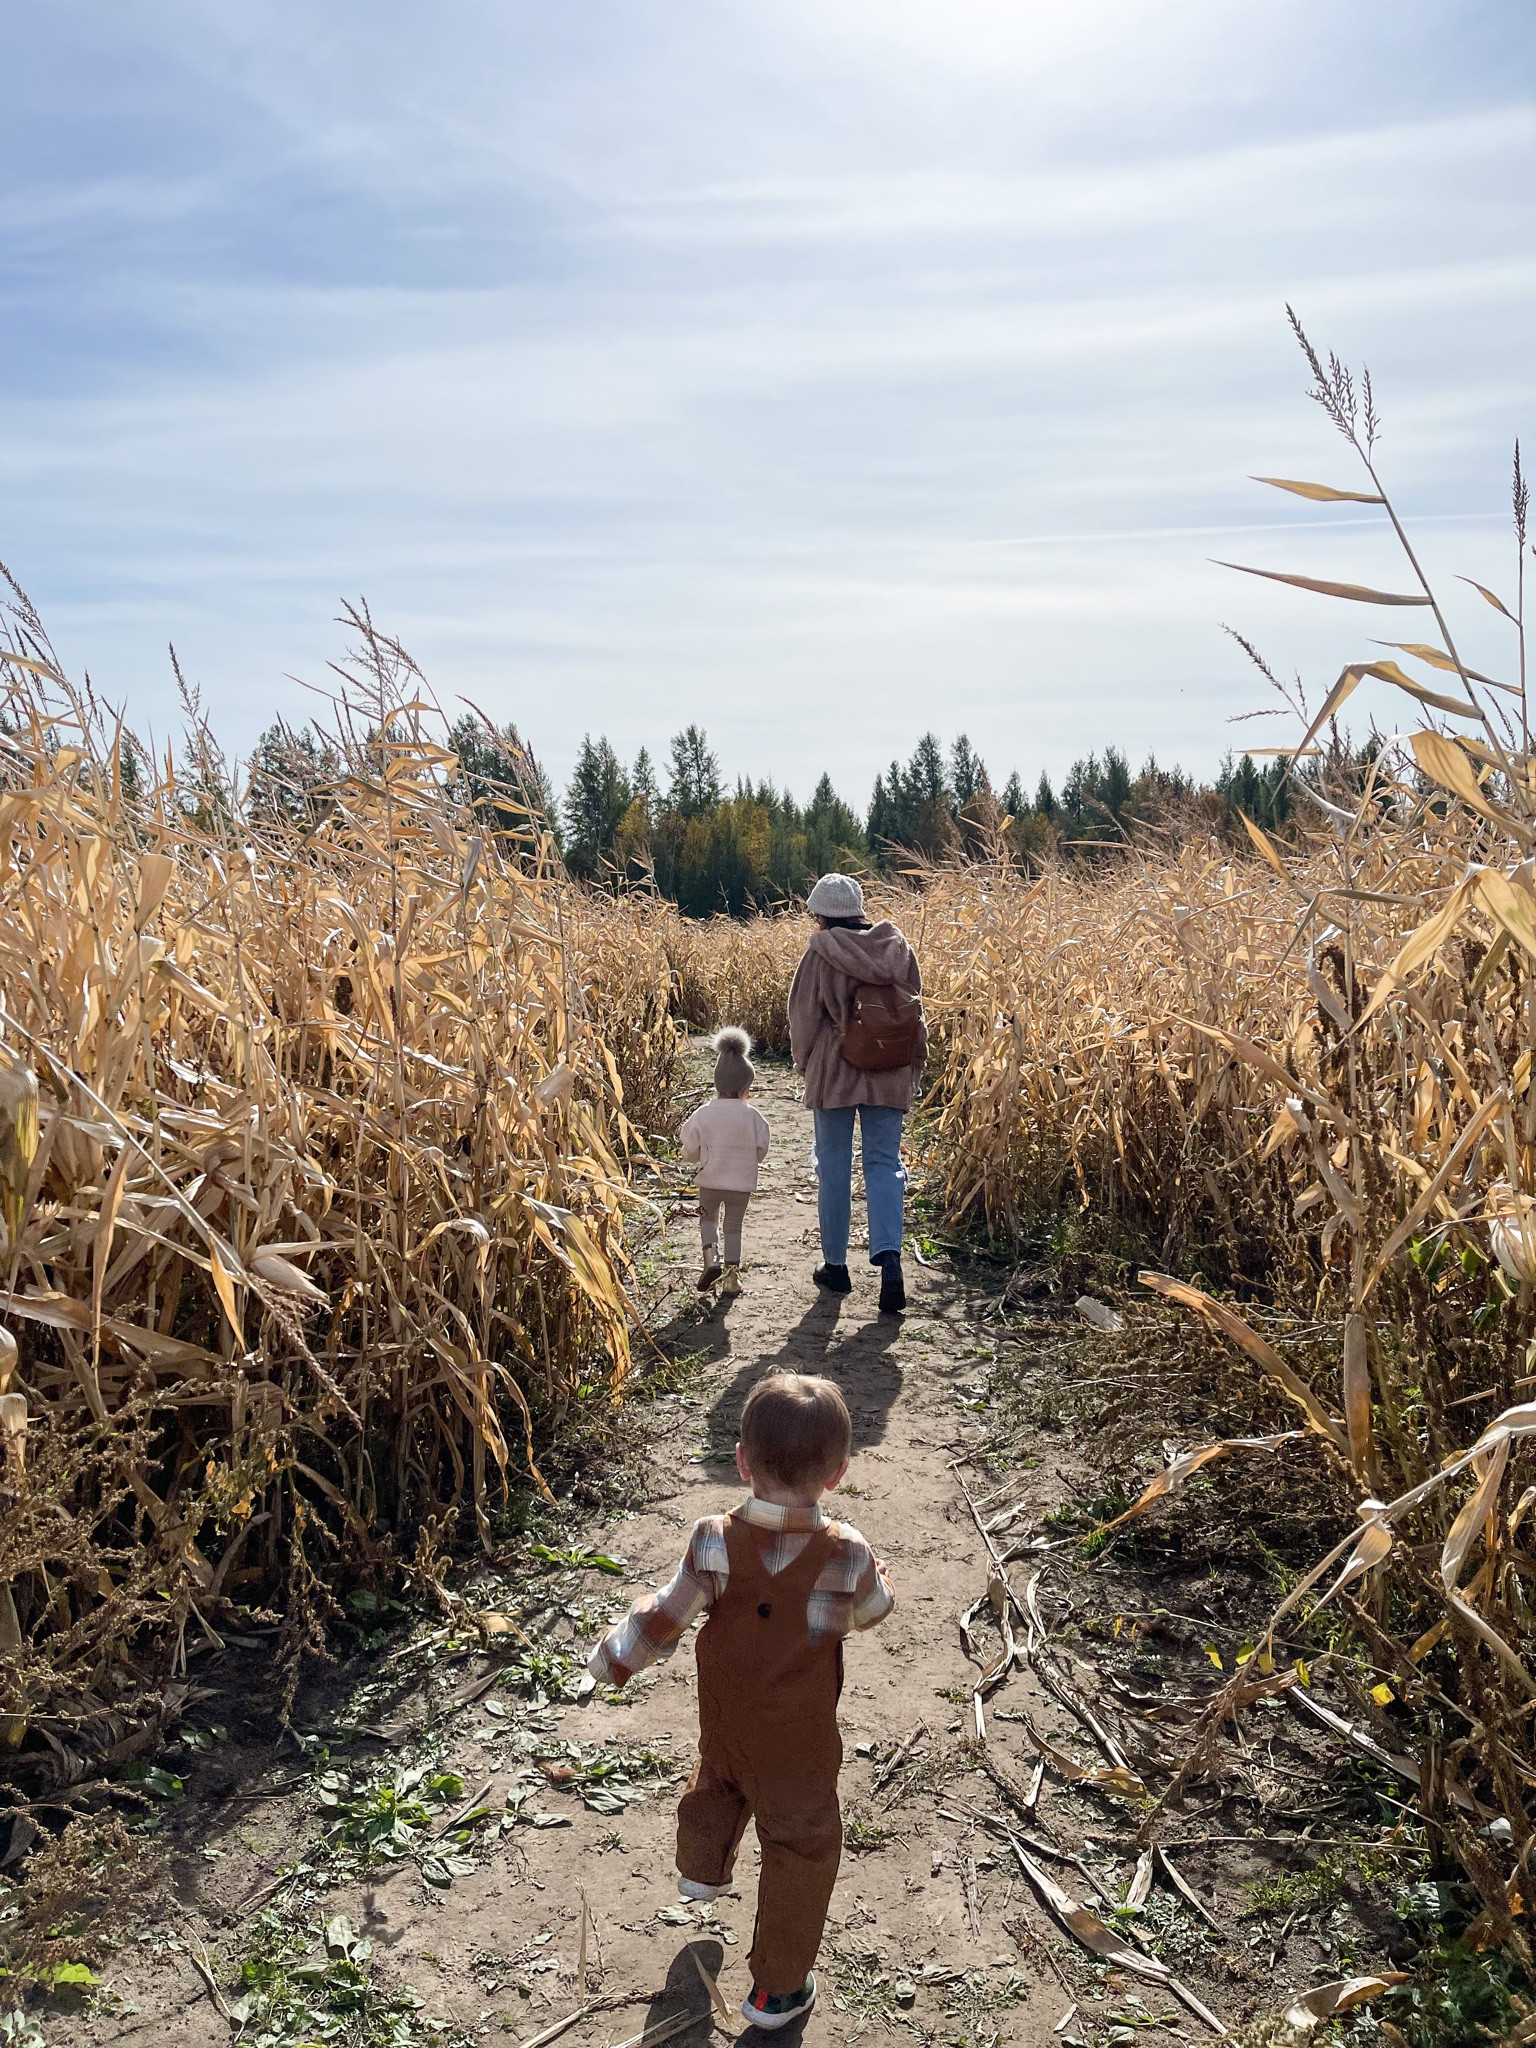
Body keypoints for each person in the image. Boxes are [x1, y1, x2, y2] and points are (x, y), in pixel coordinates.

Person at [586, 1371, 894, 2031]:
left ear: (742, 1461)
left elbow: (665, 1615)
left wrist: (615, 1658)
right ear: (838, 1473)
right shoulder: (848, 1552)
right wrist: (874, 1583)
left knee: (719, 1781)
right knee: (801, 1845)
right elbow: (873, 1612)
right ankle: (778, 1993)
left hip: (727, 1716)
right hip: (799, 1740)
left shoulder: (711, 1540)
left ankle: (701, 1870)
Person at [788, 872, 926, 1314]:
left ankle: (836, 1266)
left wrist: (805, 1062)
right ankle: (889, 1261)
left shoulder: (820, 952)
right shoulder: (897, 948)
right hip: (889, 1068)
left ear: (821, 915)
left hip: (836, 1069)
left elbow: (803, 1015)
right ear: (859, 911)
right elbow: (915, 1010)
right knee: (885, 1163)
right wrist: (914, 1065)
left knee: (833, 1163)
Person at [679, 1028, 771, 1294]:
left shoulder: (703, 1114)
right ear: (745, 1088)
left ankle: (710, 1259)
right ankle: (732, 1277)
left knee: (707, 1220)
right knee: (733, 1227)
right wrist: (749, 1161)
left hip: (709, 1181)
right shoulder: (752, 1116)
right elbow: (762, 1147)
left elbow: (689, 1146)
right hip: (740, 1185)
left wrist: (696, 1158)